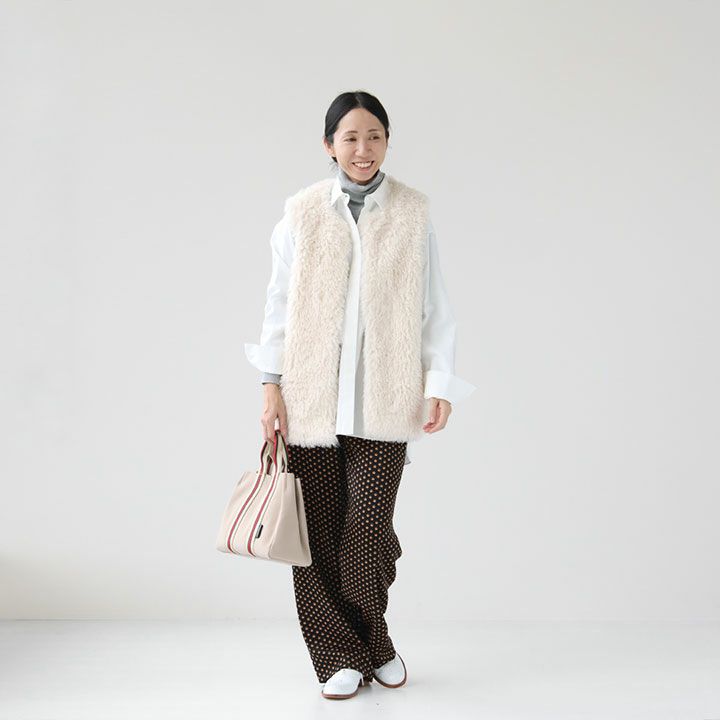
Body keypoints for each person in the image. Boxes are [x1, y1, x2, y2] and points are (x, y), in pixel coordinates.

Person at [244, 90, 476, 700]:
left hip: (385, 398)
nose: (363, 148)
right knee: (316, 538)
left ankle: (372, 637)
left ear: (387, 142)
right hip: (309, 399)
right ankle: (339, 655)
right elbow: (278, 307)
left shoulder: (413, 213)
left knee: (368, 533)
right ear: (329, 146)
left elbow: (436, 309)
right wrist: (270, 388)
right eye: (349, 137)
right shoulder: (300, 214)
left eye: (374, 136)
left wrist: (439, 384)